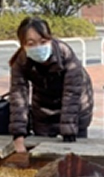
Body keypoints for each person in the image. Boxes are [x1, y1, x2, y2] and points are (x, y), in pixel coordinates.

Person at [8, 17, 93, 153]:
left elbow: (72, 94)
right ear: (23, 45)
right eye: (31, 43)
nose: (38, 47)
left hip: (76, 104)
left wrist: (69, 131)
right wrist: (18, 136)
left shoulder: (65, 54)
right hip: (43, 104)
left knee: (74, 151)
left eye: (43, 42)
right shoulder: (21, 62)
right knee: (42, 150)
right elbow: (18, 97)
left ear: (50, 38)